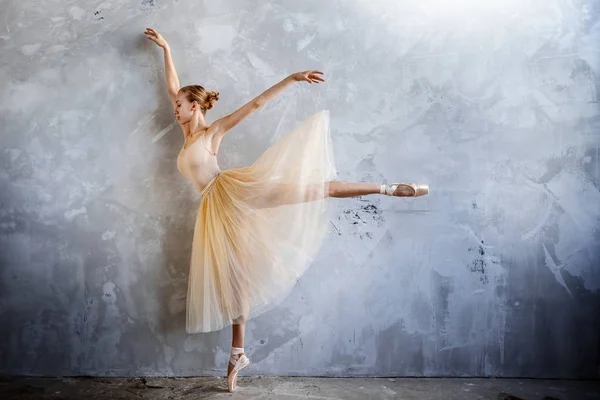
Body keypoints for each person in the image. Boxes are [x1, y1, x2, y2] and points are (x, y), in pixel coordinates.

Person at [144, 27, 428, 392]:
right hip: (216, 211)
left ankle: (388, 188)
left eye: (179, 105)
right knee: (236, 281)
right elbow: (173, 86)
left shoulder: (212, 133)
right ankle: (237, 354)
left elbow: (255, 105)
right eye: (176, 105)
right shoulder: (186, 137)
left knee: (309, 189)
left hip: (232, 192)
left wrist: (292, 79)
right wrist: (166, 48)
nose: (174, 108)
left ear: (194, 106)